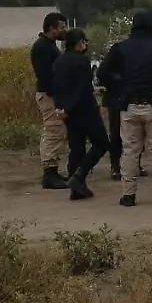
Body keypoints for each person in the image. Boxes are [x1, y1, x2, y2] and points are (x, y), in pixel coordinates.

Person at [96, 10, 152, 207]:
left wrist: (120, 89)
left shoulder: (120, 48)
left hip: (129, 106)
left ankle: (128, 195)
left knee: (129, 151)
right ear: (151, 25)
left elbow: (102, 73)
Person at [51, 29, 111, 201]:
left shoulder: (59, 61)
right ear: (79, 43)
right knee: (101, 143)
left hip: (67, 113)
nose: (86, 44)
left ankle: (76, 188)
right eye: (84, 41)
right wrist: (69, 108)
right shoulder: (82, 61)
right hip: (84, 109)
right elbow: (82, 89)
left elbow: (57, 87)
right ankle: (79, 176)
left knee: (76, 147)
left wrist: (61, 108)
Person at [31, 11, 69, 189]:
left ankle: (52, 169)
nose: (64, 31)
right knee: (53, 130)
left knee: (57, 130)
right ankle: (49, 173)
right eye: (61, 27)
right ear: (52, 28)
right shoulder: (43, 47)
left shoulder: (49, 45)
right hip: (49, 96)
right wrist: (56, 95)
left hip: (52, 94)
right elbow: (45, 75)